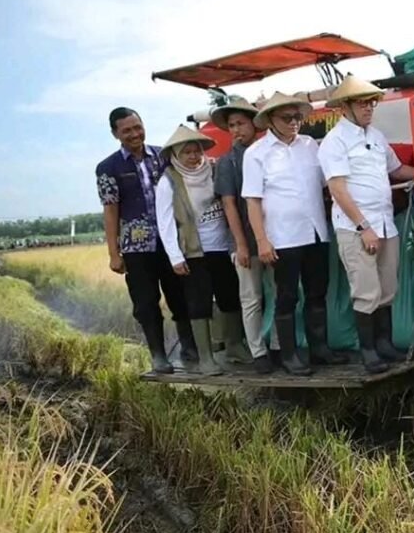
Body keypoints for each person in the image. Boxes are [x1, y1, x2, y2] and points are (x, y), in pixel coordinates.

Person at [242, 92, 345, 375]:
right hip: (282, 236)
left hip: (315, 232)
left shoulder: (310, 145)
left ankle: (319, 349)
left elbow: (328, 183)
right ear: (270, 120)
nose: (293, 122)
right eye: (286, 118)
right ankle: (289, 355)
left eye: (297, 117)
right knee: (287, 297)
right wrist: (261, 240)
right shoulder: (256, 153)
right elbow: (252, 201)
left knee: (317, 292)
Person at [318, 76, 414, 373]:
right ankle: (368, 351)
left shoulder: (376, 136)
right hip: (357, 227)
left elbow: (396, 170)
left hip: (385, 222)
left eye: (372, 102)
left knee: (388, 287)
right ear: (345, 107)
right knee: (366, 290)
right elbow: (338, 190)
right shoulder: (335, 141)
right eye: (362, 103)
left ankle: (384, 343)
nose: (369, 107)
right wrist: (364, 227)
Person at [95, 107, 197, 373]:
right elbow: (110, 210)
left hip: (171, 242)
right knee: (146, 302)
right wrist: (113, 253)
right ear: (115, 134)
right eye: (126, 130)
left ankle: (189, 346)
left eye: (137, 127)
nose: (134, 134)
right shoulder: (108, 168)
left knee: (180, 295)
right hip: (136, 248)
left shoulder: (164, 157)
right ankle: (159, 355)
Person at [154, 124, 253, 375]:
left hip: (222, 246)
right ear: (176, 155)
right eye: (186, 152)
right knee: (199, 303)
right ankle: (206, 358)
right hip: (194, 251)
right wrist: (175, 257)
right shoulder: (169, 181)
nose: (193, 156)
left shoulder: (213, 169)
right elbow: (165, 222)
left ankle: (234, 346)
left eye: (196, 150)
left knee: (230, 296)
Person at [210, 96, 278, 374]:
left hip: (275, 236)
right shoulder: (228, 162)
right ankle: (257, 351)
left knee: (278, 293)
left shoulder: (268, 153)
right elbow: (229, 204)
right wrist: (241, 245)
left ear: (254, 124)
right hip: (246, 241)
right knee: (251, 298)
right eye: (232, 125)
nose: (236, 130)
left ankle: (278, 345)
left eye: (241, 123)